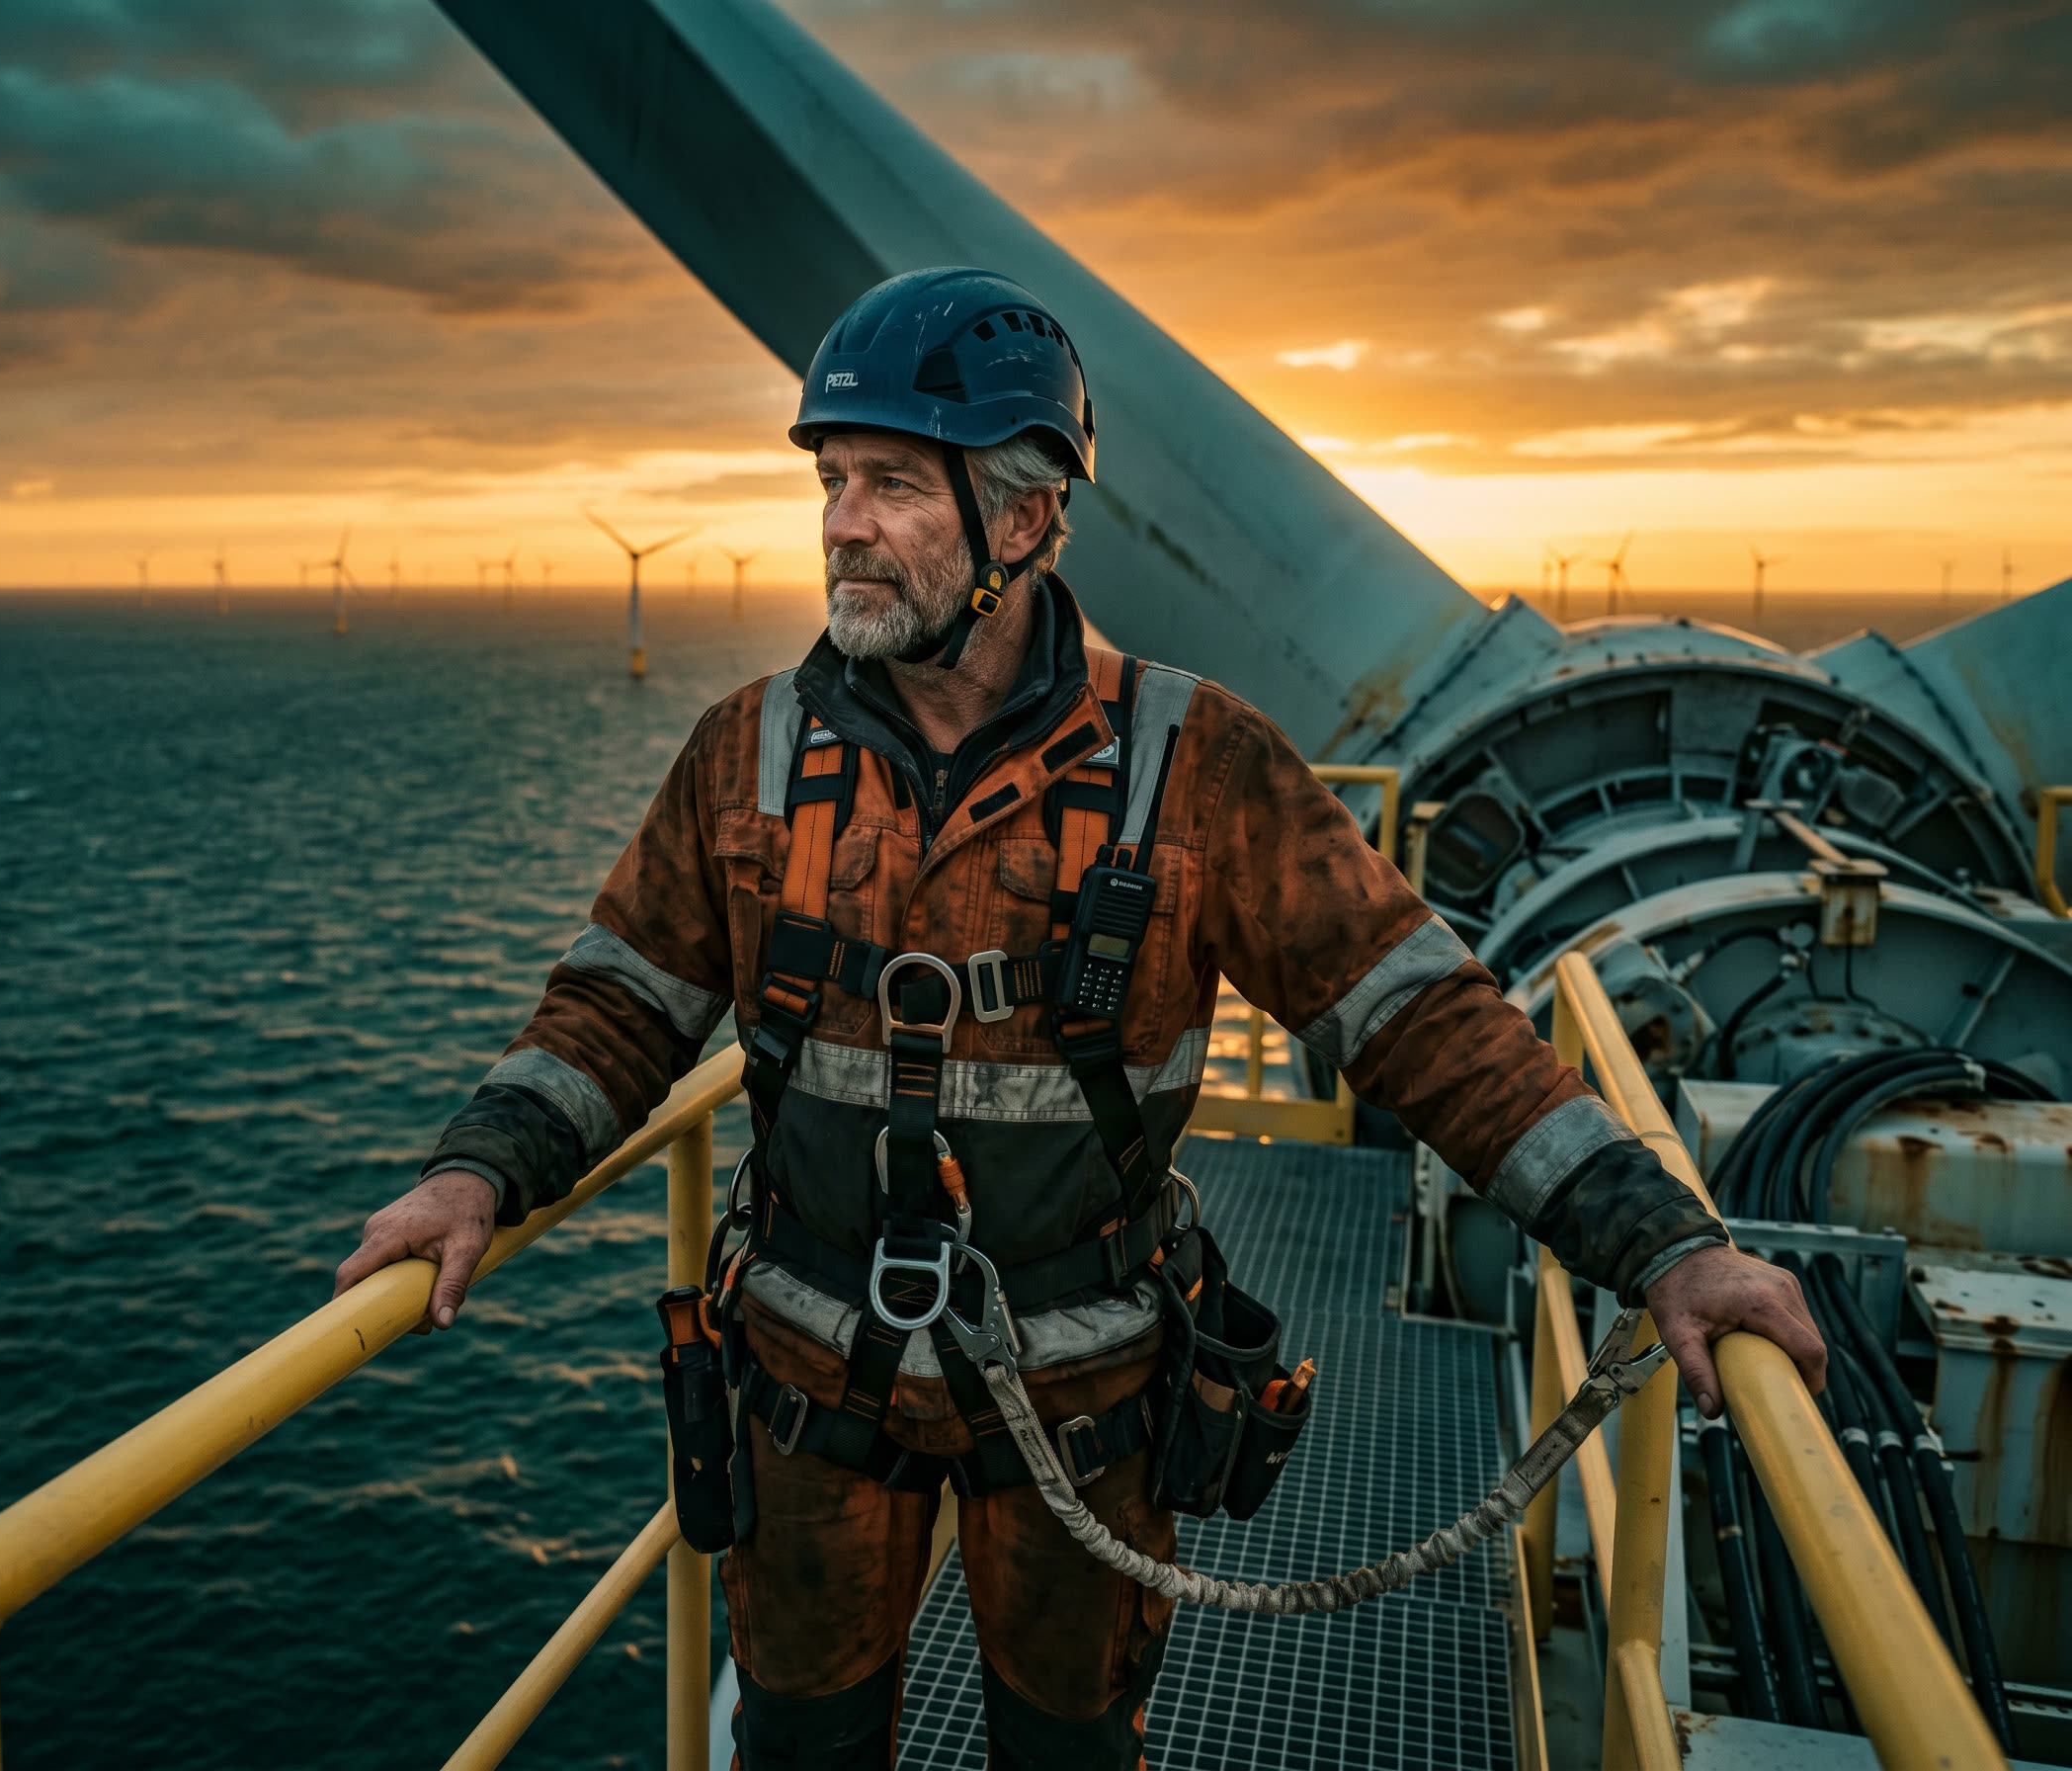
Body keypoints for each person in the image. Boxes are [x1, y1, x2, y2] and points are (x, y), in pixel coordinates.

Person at [335, 267, 1826, 1771]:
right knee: (796, 1745)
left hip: (1086, 1391)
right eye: (834, 480)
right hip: (803, 1389)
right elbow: (618, 1002)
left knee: (1067, 1752)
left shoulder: (1196, 766)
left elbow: (1420, 1021)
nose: (843, 523)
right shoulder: (752, 757)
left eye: (895, 486)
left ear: (1029, 518)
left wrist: (1665, 1244)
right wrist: (478, 1171)